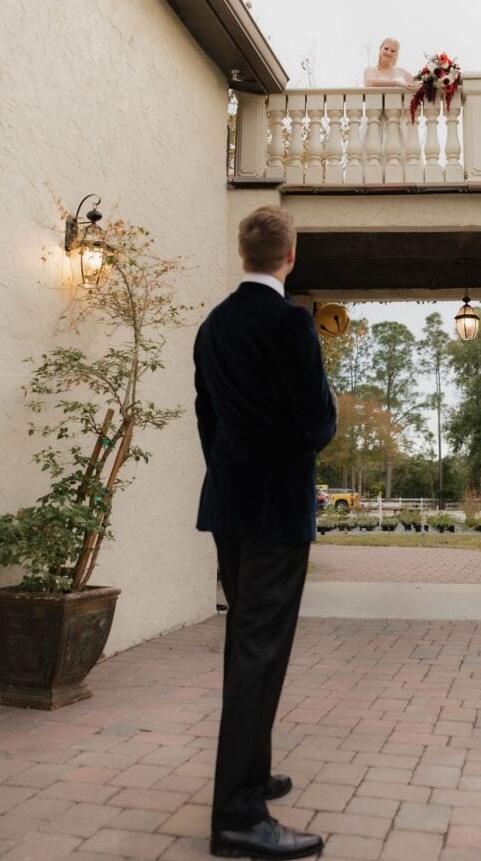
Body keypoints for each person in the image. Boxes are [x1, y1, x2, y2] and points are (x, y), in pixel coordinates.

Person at [194, 205, 336, 860]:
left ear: (243, 252)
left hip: (228, 503)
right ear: (290, 255)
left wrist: (230, 472)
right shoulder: (289, 323)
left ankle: (253, 775)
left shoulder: (214, 324)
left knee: (247, 648)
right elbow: (316, 423)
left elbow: (207, 419)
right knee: (259, 653)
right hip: (276, 509)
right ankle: (237, 818)